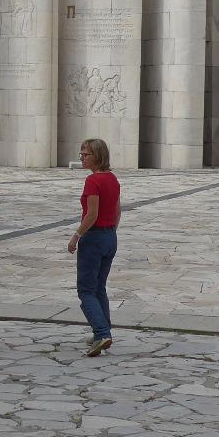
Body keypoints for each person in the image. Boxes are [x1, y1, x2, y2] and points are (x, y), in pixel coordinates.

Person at [67, 137, 120, 356]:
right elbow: (117, 210)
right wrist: (112, 232)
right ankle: (103, 331)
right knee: (99, 287)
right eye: (81, 153)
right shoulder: (113, 179)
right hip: (109, 237)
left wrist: (76, 236)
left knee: (86, 290)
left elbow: (92, 214)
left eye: (86, 154)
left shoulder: (93, 182)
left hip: (94, 237)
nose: (81, 157)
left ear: (97, 156)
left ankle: (101, 332)